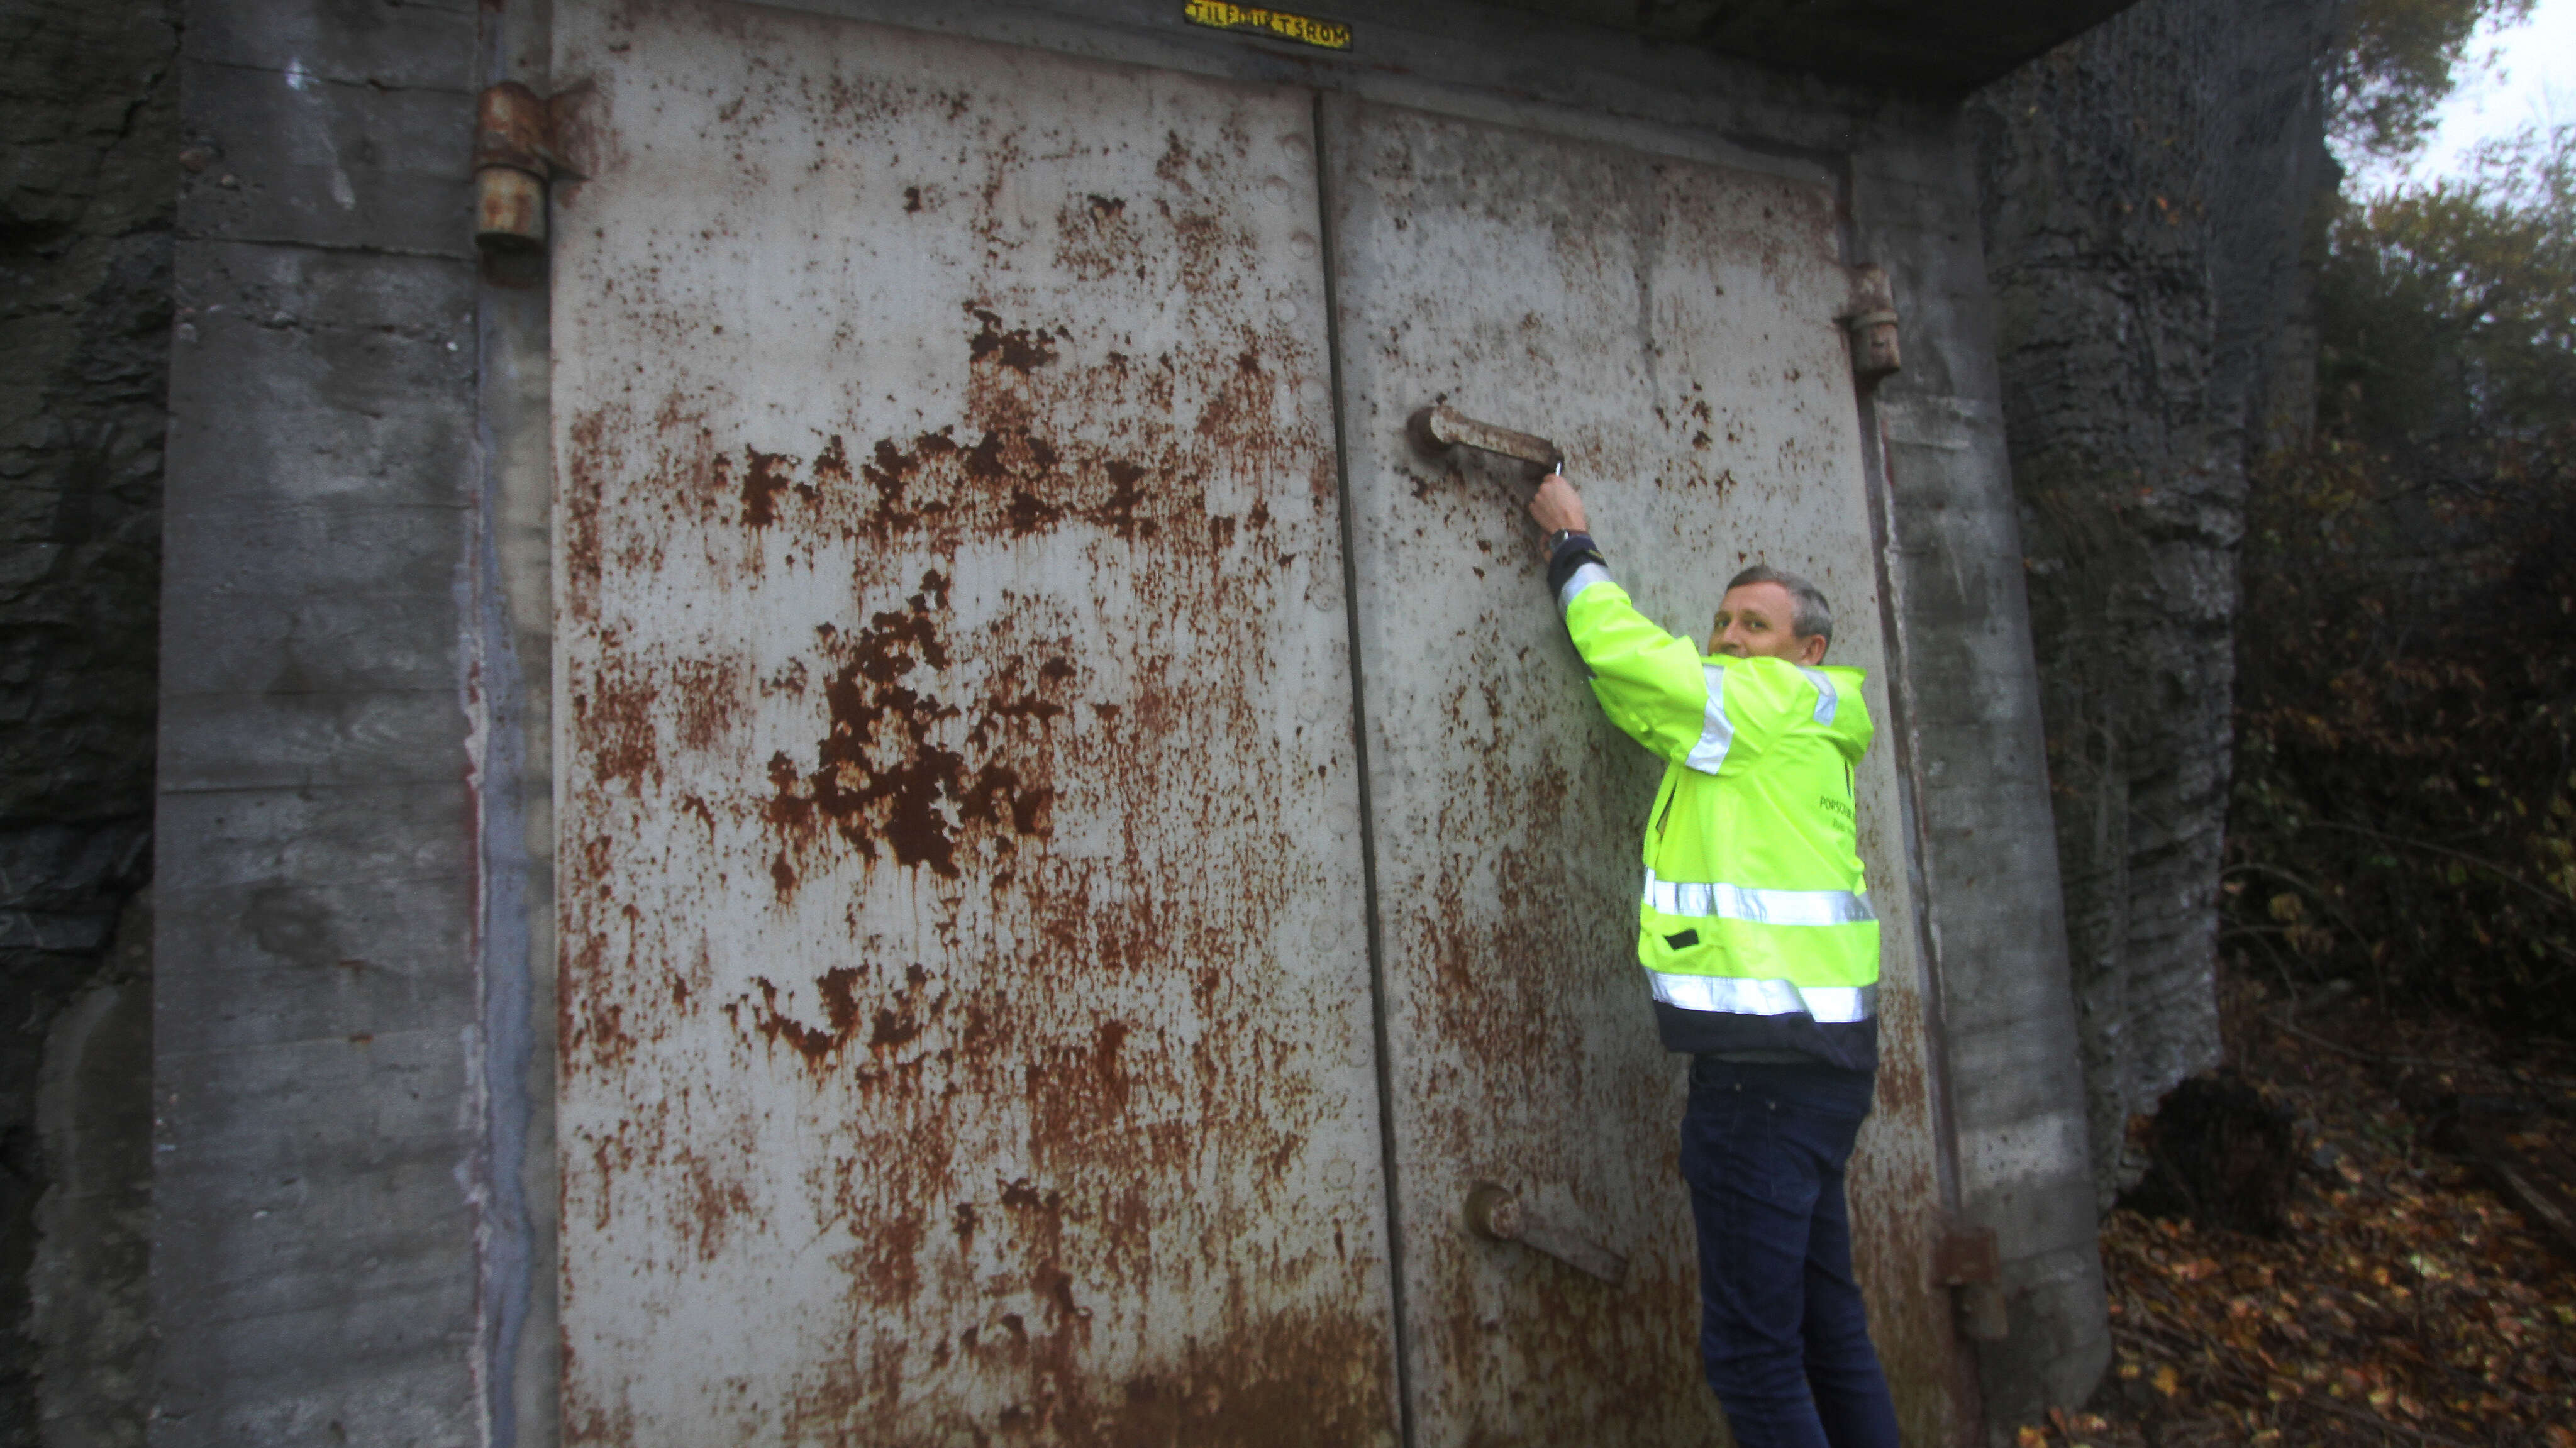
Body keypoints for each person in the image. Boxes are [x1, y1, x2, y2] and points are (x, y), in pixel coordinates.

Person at [1527, 467, 1901, 1448]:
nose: (1729, 639)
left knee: (1752, 1357)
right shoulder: (1793, 724)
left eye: (1755, 626)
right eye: (1723, 622)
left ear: (1808, 651)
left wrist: (1571, 545)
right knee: (1828, 1328)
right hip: (1821, 1068)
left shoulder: (1760, 705)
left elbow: (1631, 657)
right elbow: (1649, 703)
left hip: (1764, 1082)